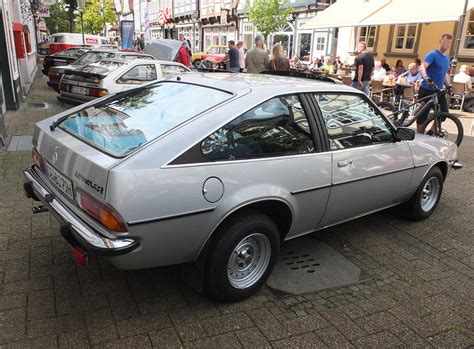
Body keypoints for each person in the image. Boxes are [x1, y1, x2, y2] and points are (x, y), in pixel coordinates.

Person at [417, 33, 453, 133]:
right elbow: (422, 67)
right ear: (440, 41)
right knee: (422, 116)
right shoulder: (432, 54)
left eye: (449, 43)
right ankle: (419, 137)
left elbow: (444, 73)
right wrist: (426, 78)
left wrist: (448, 85)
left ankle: (430, 132)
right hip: (426, 90)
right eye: (445, 42)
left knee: (444, 114)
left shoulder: (447, 57)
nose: (447, 45)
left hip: (439, 91)